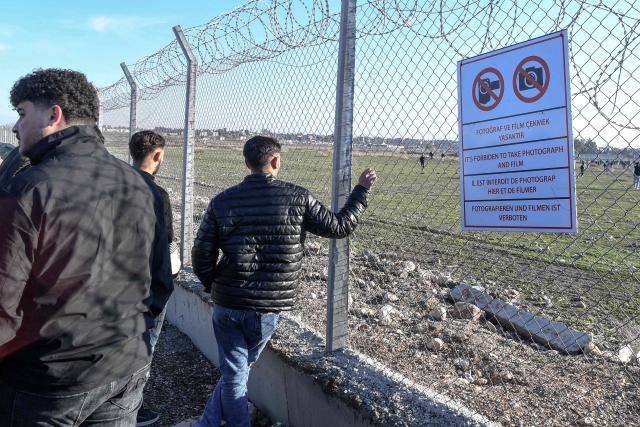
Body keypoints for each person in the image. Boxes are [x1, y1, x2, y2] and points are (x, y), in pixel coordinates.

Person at [0, 68, 172, 426]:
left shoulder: (27, 191)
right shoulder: (142, 186)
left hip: (46, 384)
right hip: (125, 368)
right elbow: (161, 282)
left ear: (53, 114)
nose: (15, 127)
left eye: (21, 112)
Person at [192, 136, 377, 427]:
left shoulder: (222, 201)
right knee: (236, 374)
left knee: (234, 373)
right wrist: (361, 192)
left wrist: (213, 284)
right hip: (267, 307)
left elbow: (201, 254)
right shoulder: (298, 197)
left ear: (247, 162)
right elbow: (340, 227)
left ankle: (207, 423)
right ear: (276, 161)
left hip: (227, 304)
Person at [129, 130, 176, 426]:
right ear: (157, 155)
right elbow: (166, 242)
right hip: (147, 288)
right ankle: (132, 406)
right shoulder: (158, 195)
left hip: (116, 284)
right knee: (146, 346)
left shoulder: (113, 185)